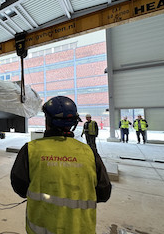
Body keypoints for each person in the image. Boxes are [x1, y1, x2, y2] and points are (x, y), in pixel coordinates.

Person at [10, 96, 112, 234]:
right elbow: (104, 193)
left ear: (47, 121)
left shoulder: (31, 150)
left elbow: (20, 188)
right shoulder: (89, 153)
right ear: (73, 123)